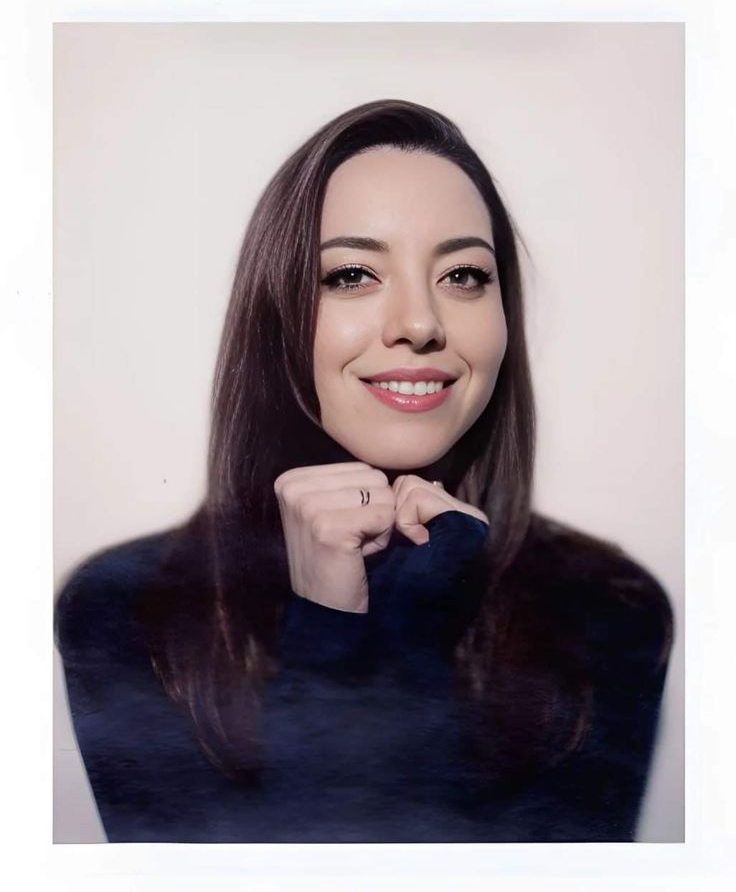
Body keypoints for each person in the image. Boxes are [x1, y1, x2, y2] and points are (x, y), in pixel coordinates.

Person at [55, 99, 673, 843]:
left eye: (465, 275)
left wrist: (410, 618)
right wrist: (330, 634)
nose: (420, 323)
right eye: (351, 274)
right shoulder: (126, 609)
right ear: (275, 314)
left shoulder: (610, 608)